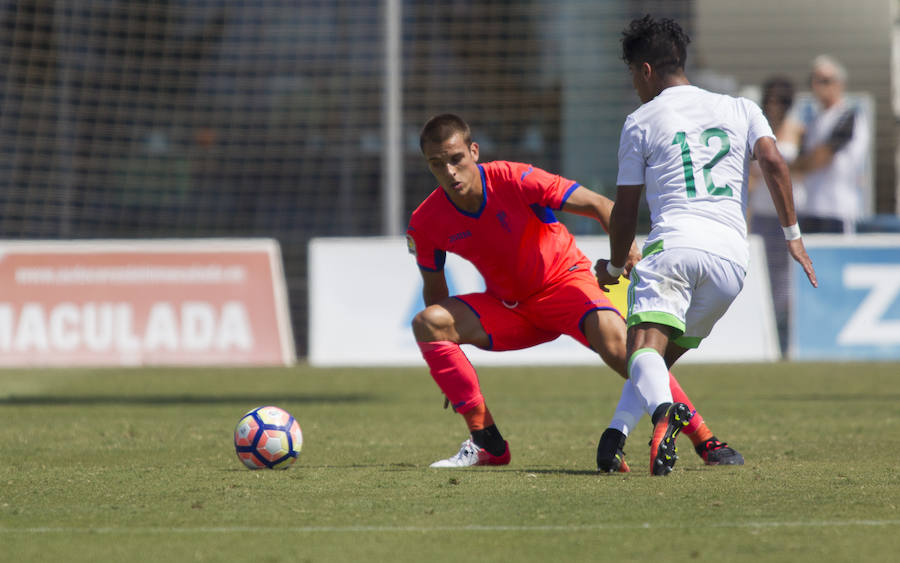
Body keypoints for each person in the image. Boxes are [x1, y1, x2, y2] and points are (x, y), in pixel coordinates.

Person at [408, 112, 744, 471]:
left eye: (456, 158)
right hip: (510, 309)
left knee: (625, 351)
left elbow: (601, 205)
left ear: (474, 151)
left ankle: (705, 440)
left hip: (566, 285)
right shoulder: (425, 221)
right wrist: (449, 368)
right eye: (437, 164)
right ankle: (487, 444)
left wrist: (627, 249)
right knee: (428, 323)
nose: (450, 172)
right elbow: (436, 292)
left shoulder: (515, 178)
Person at [594, 16, 818, 476]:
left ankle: (665, 415)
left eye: (633, 74)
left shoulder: (640, 121)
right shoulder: (741, 107)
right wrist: (792, 235)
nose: (634, 85)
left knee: (640, 351)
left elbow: (625, 209)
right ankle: (614, 437)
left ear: (648, 70)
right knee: (656, 362)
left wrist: (616, 267)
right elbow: (773, 160)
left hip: (675, 248)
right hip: (730, 263)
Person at [747, 76, 805, 356]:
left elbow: (806, 167)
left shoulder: (799, 130)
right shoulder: (759, 131)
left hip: (791, 212)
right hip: (762, 212)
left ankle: (787, 337)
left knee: (788, 280)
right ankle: (769, 337)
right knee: (765, 277)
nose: (774, 106)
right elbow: (750, 178)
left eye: (780, 100)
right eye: (770, 99)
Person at [792, 55, 869, 234]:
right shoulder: (814, 120)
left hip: (837, 210)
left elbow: (819, 158)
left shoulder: (849, 116)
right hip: (810, 208)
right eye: (813, 80)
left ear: (840, 84)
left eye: (824, 81)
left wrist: (800, 165)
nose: (817, 86)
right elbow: (802, 161)